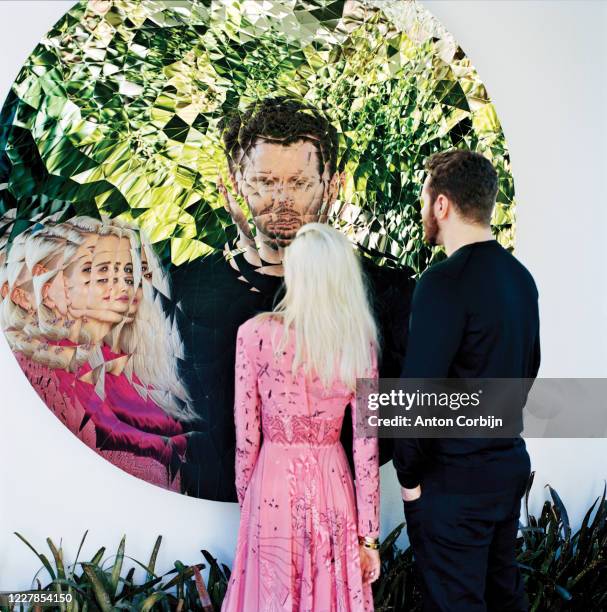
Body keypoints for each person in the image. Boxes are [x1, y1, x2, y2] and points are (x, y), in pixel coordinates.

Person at [171, 96, 415, 501]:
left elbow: (400, 427)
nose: (282, 199)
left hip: (338, 507)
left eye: (299, 183)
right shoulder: (186, 292)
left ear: (331, 184)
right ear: (235, 184)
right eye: (265, 182)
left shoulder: (388, 294)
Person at [393, 149, 540, 611]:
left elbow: (418, 395)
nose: (423, 209)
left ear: (441, 204)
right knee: (503, 600)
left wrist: (409, 480)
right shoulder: (521, 279)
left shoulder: (442, 282)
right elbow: (527, 373)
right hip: (506, 469)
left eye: (424, 198)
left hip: (454, 483)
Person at [221, 222, 381, 611]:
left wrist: (251, 500)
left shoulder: (254, 335)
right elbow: (366, 451)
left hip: (271, 485)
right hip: (332, 486)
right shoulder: (360, 345)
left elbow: (246, 438)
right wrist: (369, 538)